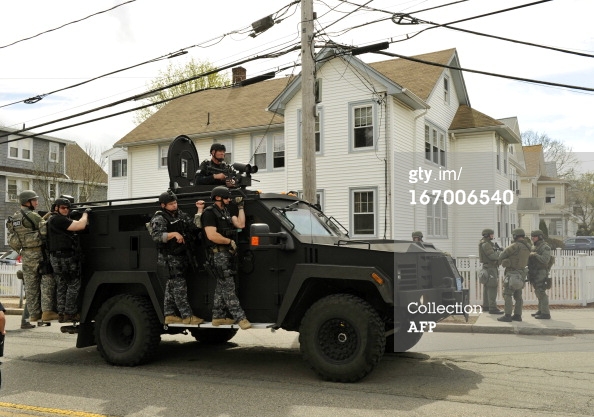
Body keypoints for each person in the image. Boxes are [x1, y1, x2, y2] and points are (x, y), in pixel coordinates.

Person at [149, 191, 204, 325]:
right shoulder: (159, 218)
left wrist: (200, 210)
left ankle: (169, 314)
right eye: (171, 204)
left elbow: (194, 227)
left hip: (181, 256)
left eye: (175, 203)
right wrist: (173, 234)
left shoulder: (180, 214)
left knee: (171, 286)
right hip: (170, 257)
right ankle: (187, 316)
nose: (175, 205)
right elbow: (156, 236)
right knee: (179, 287)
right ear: (163, 205)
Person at [201, 186, 251, 329]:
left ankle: (218, 317)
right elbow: (211, 235)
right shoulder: (209, 213)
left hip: (227, 254)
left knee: (221, 286)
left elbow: (240, 224)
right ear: (218, 198)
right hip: (218, 254)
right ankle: (240, 318)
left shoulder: (226, 212)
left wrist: (241, 207)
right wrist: (230, 242)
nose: (229, 199)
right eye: (227, 197)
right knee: (229, 286)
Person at [10, 190, 59, 324]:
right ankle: (47, 312)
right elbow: (44, 229)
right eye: (34, 200)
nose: (37, 202)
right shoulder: (33, 215)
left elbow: (18, 235)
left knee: (31, 286)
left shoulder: (15, 218)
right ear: (27, 202)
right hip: (39, 254)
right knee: (47, 280)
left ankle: (33, 314)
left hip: (25, 254)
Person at [47, 197, 89, 323]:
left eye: (67, 208)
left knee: (62, 284)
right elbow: (81, 225)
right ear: (56, 208)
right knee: (73, 284)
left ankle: (61, 313)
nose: (66, 210)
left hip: (56, 257)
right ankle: (69, 313)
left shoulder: (52, 219)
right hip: (65, 258)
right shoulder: (58, 219)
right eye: (63, 208)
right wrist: (85, 214)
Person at [497, 228, 531, 322]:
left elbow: (502, 255)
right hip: (521, 273)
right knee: (518, 296)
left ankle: (507, 315)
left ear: (515, 236)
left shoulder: (515, 246)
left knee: (507, 294)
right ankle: (517, 315)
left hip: (512, 273)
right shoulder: (528, 247)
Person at [528, 230, 552, 319]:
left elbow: (545, 259)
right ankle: (541, 310)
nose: (532, 238)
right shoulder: (534, 247)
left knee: (541, 292)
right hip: (535, 272)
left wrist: (535, 255)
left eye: (534, 236)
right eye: (532, 236)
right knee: (538, 291)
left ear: (540, 237)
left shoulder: (545, 247)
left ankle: (546, 313)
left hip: (541, 272)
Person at [478, 228, 503, 314]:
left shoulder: (485, 243)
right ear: (487, 235)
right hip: (491, 268)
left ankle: (486, 306)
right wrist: (499, 252)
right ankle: (492, 307)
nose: (492, 236)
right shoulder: (486, 245)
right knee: (492, 287)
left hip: (487, 267)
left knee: (487, 287)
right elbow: (493, 256)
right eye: (491, 234)